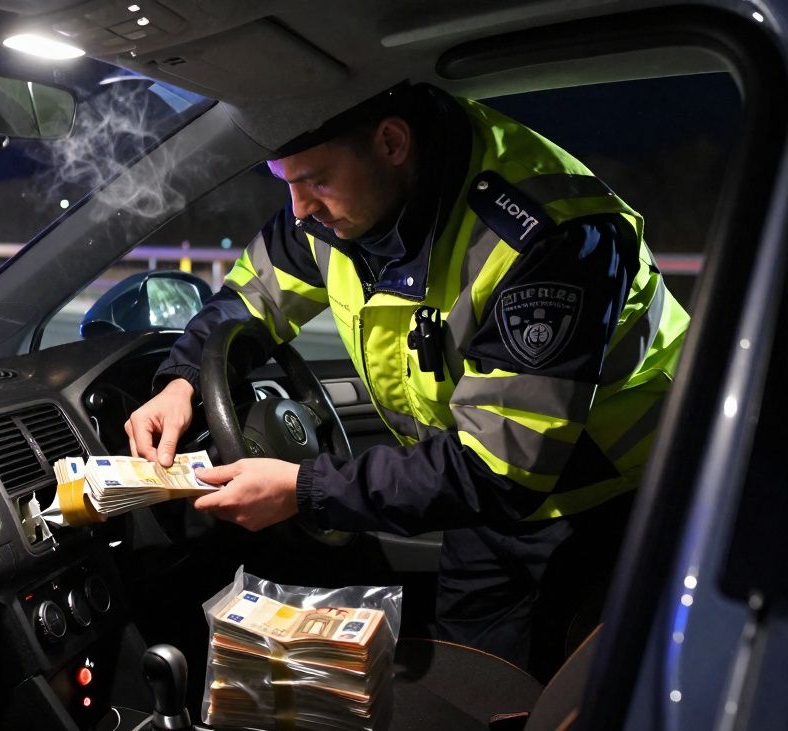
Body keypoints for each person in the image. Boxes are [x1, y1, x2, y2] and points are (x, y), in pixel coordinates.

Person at [124, 81, 689, 673]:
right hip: (480, 510)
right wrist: (183, 380)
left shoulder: (547, 238)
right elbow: (252, 298)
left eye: (314, 181)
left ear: (392, 142)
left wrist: (305, 489)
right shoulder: (340, 201)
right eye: (285, 182)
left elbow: (501, 468)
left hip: (614, 511)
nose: (298, 209)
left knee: (585, 696)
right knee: (473, 684)